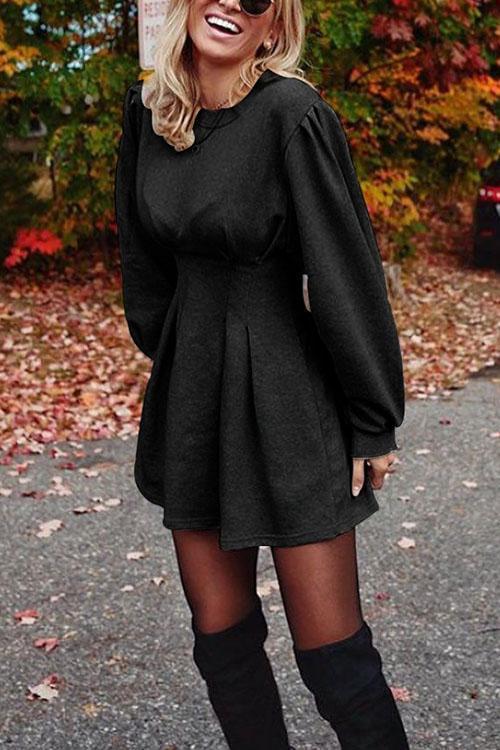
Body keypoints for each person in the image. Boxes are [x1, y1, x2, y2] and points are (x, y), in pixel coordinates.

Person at [114, 0, 411, 747]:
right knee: (223, 646)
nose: (231, 4)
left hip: (286, 396)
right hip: (193, 400)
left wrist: (372, 417)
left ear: (273, 26)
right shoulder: (148, 112)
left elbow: (345, 272)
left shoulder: (292, 115)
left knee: (336, 665)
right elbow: (144, 269)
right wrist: (180, 360)